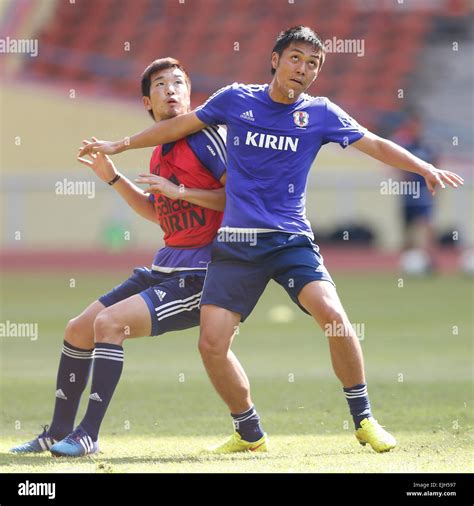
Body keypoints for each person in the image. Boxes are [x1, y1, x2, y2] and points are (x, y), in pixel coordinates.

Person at [79, 26, 464, 454]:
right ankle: (249, 432)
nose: (304, 69)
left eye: (314, 64)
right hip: (237, 246)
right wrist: (120, 145)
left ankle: (365, 419)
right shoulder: (236, 99)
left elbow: (373, 143)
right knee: (211, 344)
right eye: (296, 58)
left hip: (289, 241)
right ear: (276, 60)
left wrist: (422, 168)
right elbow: (177, 127)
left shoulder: (320, 113)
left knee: (333, 315)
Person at [10, 57, 227, 457]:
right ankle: (56, 431)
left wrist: (180, 193)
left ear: (190, 93)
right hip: (163, 267)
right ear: (148, 102)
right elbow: (155, 211)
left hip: (201, 275)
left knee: (109, 325)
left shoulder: (205, 136)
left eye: (178, 82)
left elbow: (238, 200)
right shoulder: (160, 150)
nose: (171, 90)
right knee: (78, 329)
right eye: (161, 85)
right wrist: (112, 177)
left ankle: (88, 435)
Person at [395, 112, 439, 274]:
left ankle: (430, 260)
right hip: (408, 193)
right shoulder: (404, 146)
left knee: (427, 226)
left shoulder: (428, 147)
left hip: (424, 193)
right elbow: (397, 166)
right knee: (407, 229)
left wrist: (435, 190)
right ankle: (406, 262)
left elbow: (436, 167)